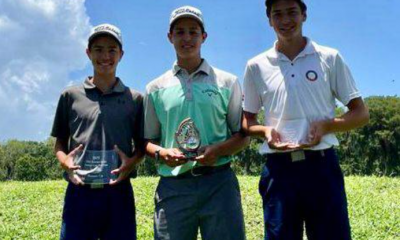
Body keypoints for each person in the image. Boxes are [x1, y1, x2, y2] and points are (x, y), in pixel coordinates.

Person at [242, 0, 370, 239]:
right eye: (277, 14)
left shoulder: (329, 58)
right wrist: (266, 131)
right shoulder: (256, 66)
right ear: (269, 20)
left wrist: (327, 125)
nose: (285, 20)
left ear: (304, 15)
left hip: (321, 167)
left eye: (292, 12)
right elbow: (247, 122)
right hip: (279, 171)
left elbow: (360, 113)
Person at [144, 6, 248, 240]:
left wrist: (217, 150)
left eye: (193, 31)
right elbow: (147, 140)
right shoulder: (155, 88)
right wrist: (162, 153)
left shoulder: (227, 82)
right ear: (170, 37)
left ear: (204, 37)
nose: (187, 38)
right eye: (180, 32)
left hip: (219, 183)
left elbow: (242, 135)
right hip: (174, 186)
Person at [51, 23, 144, 240]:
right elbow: (60, 143)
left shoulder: (135, 99)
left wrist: (132, 162)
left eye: (112, 49)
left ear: (121, 54)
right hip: (79, 190)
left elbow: (141, 146)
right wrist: (64, 161)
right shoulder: (70, 96)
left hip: (118, 190)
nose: (105, 55)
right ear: (88, 53)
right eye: (98, 49)